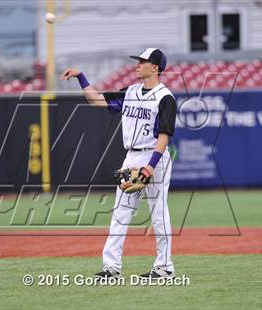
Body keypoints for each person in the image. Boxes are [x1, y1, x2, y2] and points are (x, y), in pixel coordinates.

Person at [60, 48, 177, 279]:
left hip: (154, 157)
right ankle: (111, 268)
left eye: (143, 62)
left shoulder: (165, 97)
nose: (137, 65)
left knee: (158, 213)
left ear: (155, 68)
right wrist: (81, 77)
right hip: (131, 157)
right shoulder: (131, 92)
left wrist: (150, 166)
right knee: (121, 213)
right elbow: (96, 100)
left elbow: (164, 136)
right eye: (138, 61)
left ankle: (164, 267)